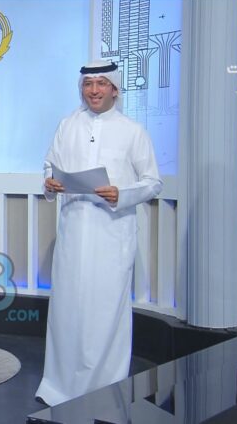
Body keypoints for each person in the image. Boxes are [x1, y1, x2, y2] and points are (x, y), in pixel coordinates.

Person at [35, 60, 163, 406]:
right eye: (88, 84)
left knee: (105, 312)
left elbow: (152, 182)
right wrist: (49, 182)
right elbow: (49, 165)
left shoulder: (132, 131)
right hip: (74, 231)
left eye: (101, 83)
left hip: (112, 235)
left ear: (115, 89)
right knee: (68, 310)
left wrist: (122, 194)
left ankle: (105, 391)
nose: (93, 90)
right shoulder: (67, 125)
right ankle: (59, 386)